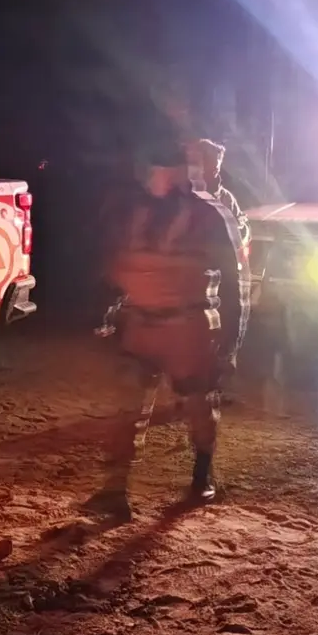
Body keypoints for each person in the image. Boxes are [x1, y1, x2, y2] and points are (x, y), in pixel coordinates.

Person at [88, 142, 249, 520]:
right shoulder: (135, 212)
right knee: (127, 406)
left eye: (162, 169)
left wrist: (231, 342)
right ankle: (115, 491)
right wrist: (110, 304)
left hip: (189, 327)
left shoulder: (212, 214)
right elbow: (116, 264)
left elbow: (235, 281)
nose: (154, 176)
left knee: (198, 404)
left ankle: (201, 476)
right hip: (141, 322)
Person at [186, 138, 250, 250]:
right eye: (192, 163)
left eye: (215, 169)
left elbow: (242, 232)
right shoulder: (183, 196)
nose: (214, 173)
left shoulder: (226, 199)